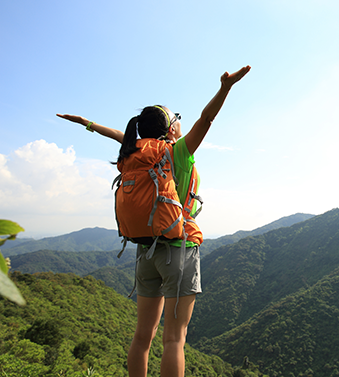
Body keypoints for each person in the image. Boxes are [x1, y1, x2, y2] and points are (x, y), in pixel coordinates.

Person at [57, 65, 251, 377]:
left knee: (141, 338)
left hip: (144, 252)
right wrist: (225, 88)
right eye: (176, 118)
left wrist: (87, 124)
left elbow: (120, 136)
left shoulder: (133, 153)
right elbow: (207, 119)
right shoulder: (178, 153)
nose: (180, 123)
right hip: (178, 249)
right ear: (170, 129)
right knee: (174, 339)